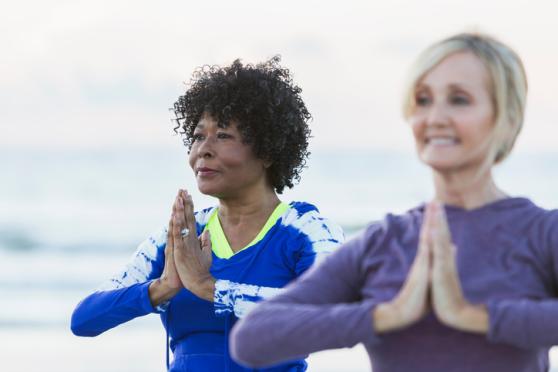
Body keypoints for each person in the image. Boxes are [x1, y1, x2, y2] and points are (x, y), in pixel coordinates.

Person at [230, 33, 558, 372]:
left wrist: (472, 315)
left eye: (459, 100)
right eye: (423, 100)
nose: (435, 117)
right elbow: (253, 338)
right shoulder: (383, 242)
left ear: (507, 118)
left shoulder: (542, 232)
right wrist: (387, 314)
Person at [70, 57, 344, 372]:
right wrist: (162, 287)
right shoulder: (179, 237)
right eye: (199, 136)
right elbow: (84, 320)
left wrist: (208, 286)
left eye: (223, 136)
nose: (204, 149)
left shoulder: (306, 229)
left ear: (268, 150)